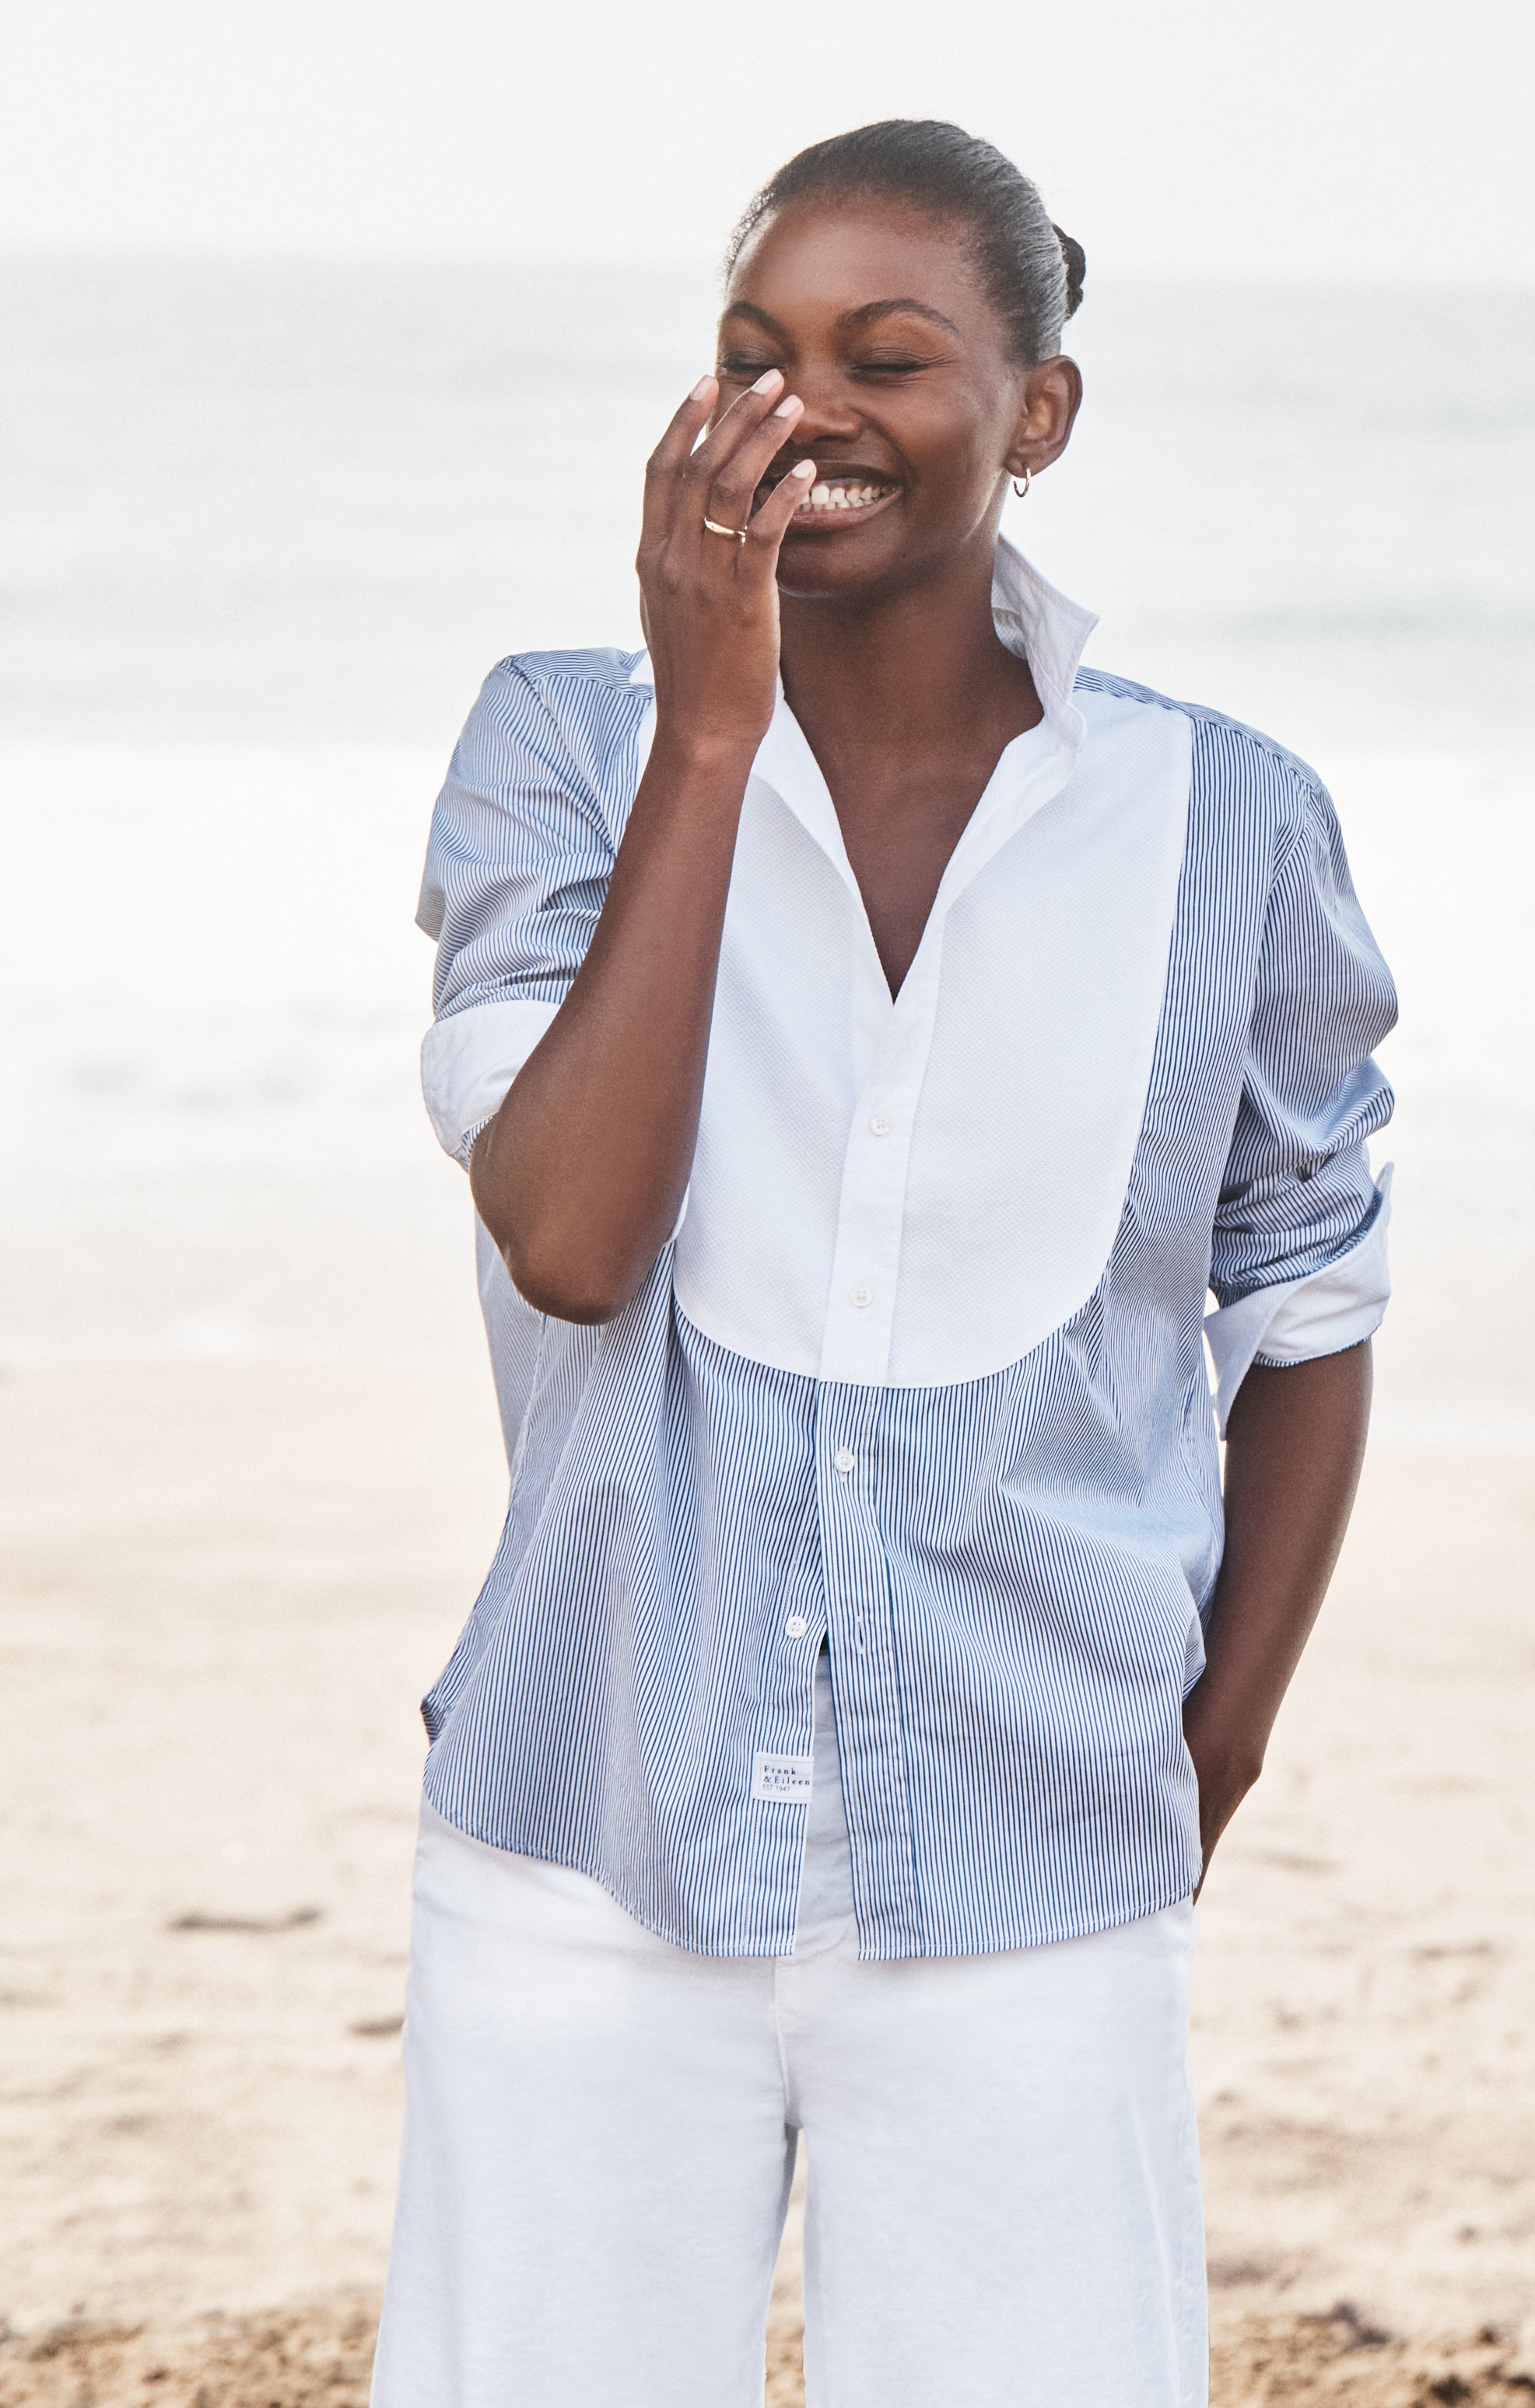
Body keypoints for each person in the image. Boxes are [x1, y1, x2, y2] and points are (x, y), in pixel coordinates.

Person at [374, 118, 1396, 2408]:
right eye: (755, 351)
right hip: (584, 1847)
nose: (804, 405)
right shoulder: (567, 746)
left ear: (1034, 414)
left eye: (888, 355)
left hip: (1045, 1871)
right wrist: (712, 728)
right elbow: (567, 1234)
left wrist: (1200, 1758)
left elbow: (1308, 1302)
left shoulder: (1225, 823)